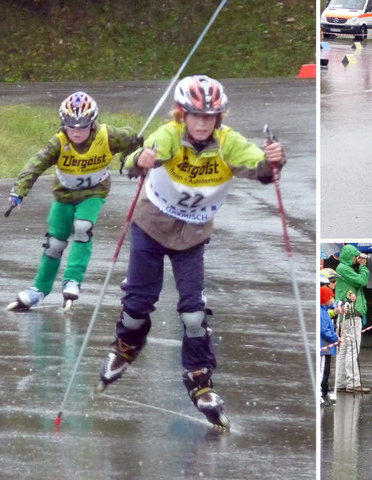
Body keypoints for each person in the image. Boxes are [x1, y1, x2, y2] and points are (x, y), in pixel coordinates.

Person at [96, 75, 286, 429]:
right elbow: (129, 165)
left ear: (219, 117)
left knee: (194, 314)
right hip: (150, 228)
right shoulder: (168, 135)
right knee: (137, 305)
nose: (201, 123)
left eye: (210, 116)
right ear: (181, 114)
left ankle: (200, 379)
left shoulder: (229, 143)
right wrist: (141, 159)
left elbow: (262, 171)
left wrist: (274, 159)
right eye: (195, 115)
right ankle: (125, 347)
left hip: (193, 236)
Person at [7, 92, 142, 311]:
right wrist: (19, 191)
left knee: (83, 228)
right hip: (64, 196)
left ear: (92, 122)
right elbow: (35, 164)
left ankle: (72, 280)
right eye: (71, 127)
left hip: (93, 193)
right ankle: (39, 289)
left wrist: (129, 159)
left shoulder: (108, 135)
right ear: (63, 124)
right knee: (55, 244)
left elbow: (135, 138)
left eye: (82, 127)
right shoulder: (58, 142)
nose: (77, 132)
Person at [334, 245, 371, 394]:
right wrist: (363, 266)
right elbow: (362, 281)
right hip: (351, 312)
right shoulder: (344, 268)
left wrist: (358, 264)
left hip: (346, 312)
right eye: (357, 257)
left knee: (344, 350)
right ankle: (353, 382)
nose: (360, 259)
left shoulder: (343, 267)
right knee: (352, 349)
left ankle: (342, 381)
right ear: (352, 256)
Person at [320, 286, 341, 407]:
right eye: (330, 297)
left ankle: (323, 393)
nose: (332, 300)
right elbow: (323, 330)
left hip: (327, 347)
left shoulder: (324, 311)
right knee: (323, 371)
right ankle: (321, 395)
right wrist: (335, 338)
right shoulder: (322, 312)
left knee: (326, 371)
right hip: (324, 348)